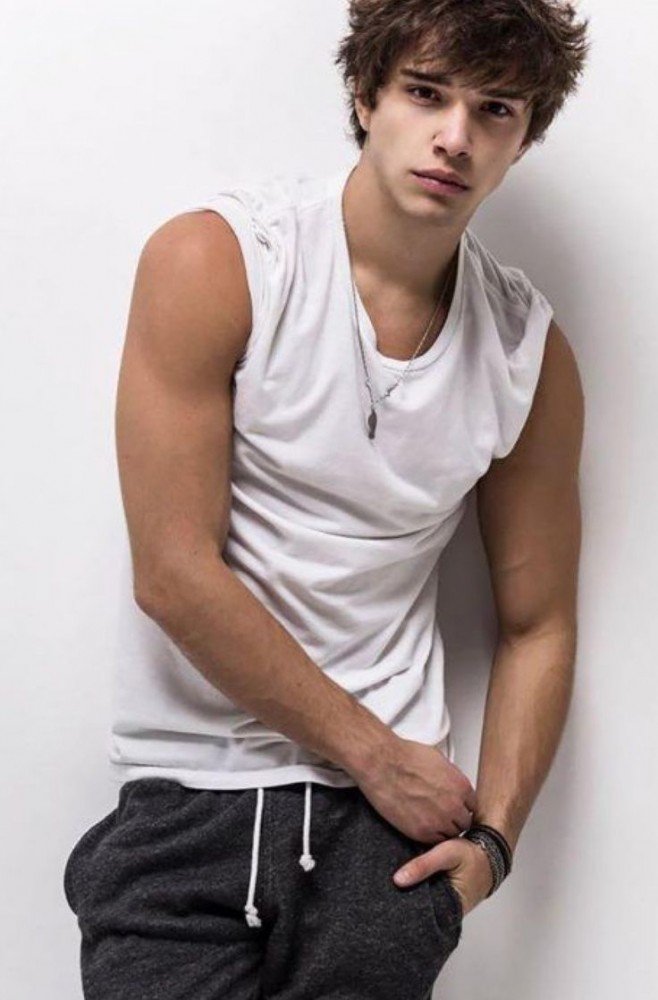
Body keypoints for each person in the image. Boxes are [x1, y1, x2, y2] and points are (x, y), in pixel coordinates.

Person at [63, 1, 590, 997]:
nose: (454, 137)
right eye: (426, 93)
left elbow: (538, 623)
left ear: (524, 138)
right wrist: (374, 754)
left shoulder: (528, 353)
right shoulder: (222, 261)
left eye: (495, 110)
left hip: (383, 850)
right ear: (365, 94)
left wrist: (493, 848)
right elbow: (173, 573)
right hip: (190, 801)